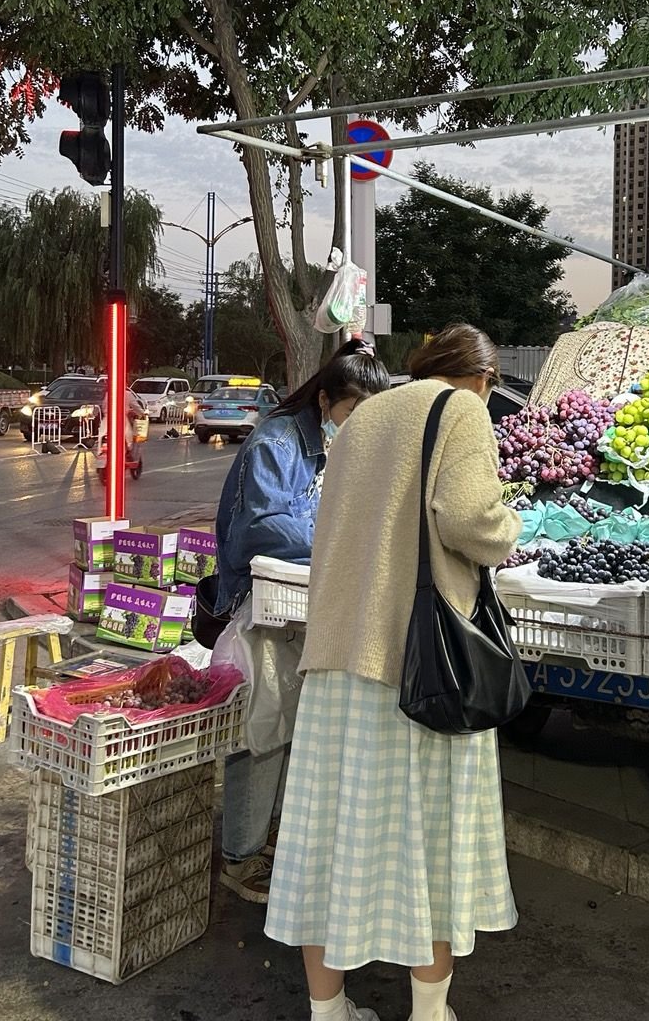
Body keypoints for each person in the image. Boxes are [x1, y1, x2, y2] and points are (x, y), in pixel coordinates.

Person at [265, 324, 522, 1021]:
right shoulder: (460, 409)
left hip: (337, 655)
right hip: (415, 665)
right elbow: (471, 518)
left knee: (327, 840)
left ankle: (328, 1011)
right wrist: (511, 530)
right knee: (427, 844)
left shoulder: (365, 416)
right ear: (482, 378)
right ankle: (431, 1012)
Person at [215, 339, 390, 903]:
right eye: (352, 409)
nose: (358, 423)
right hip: (259, 607)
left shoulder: (336, 446)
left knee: (292, 731)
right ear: (323, 402)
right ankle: (239, 859)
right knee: (262, 732)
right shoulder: (276, 442)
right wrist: (342, 544)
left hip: (307, 610)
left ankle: (269, 846)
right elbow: (263, 525)